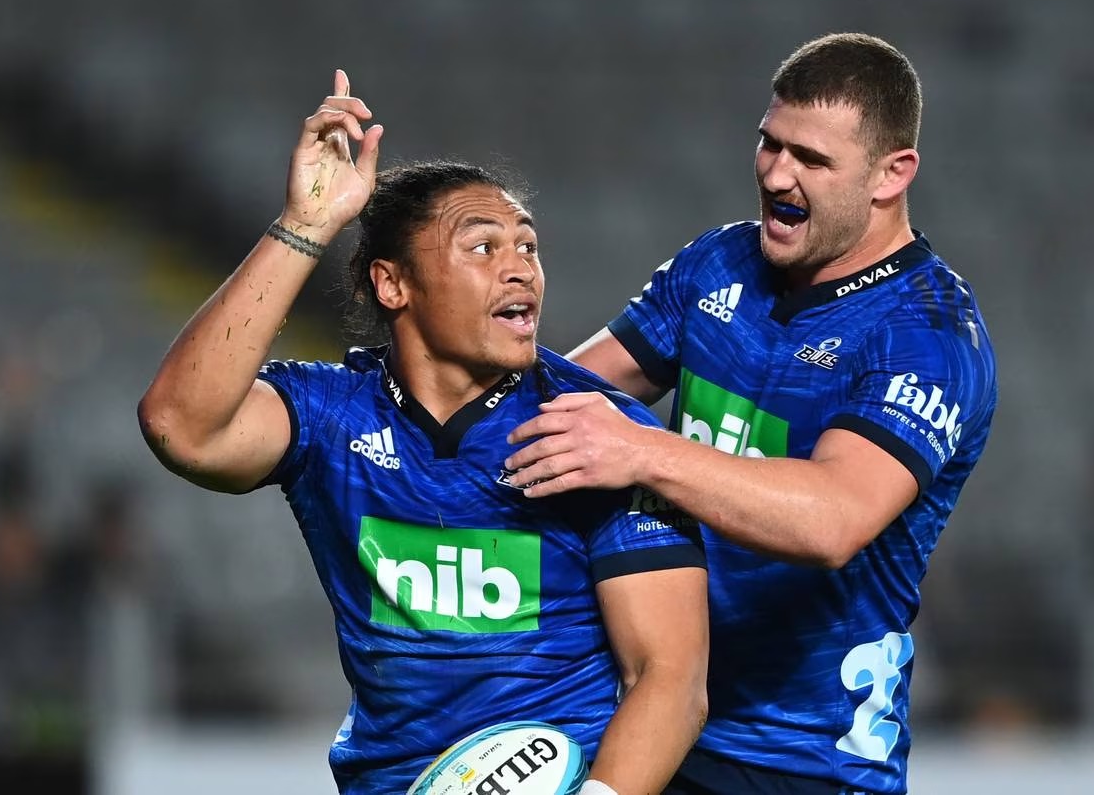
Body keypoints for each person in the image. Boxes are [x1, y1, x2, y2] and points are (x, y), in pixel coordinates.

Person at [137, 70, 708, 795]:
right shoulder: (331, 417)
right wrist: (307, 224)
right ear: (393, 285)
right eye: (482, 247)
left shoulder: (600, 433)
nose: (520, 270)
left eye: (527, 247)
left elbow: (671, 679)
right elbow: (178, 426)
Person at [505, 34, 998, 793]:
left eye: (811, 159)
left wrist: (644, 452)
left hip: (804, 759)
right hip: (657, 718)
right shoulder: (719, 264)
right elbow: (562, 398)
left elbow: (833, 520)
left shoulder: (926, 337)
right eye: (769, 143)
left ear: (891, 175)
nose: (775, 173)